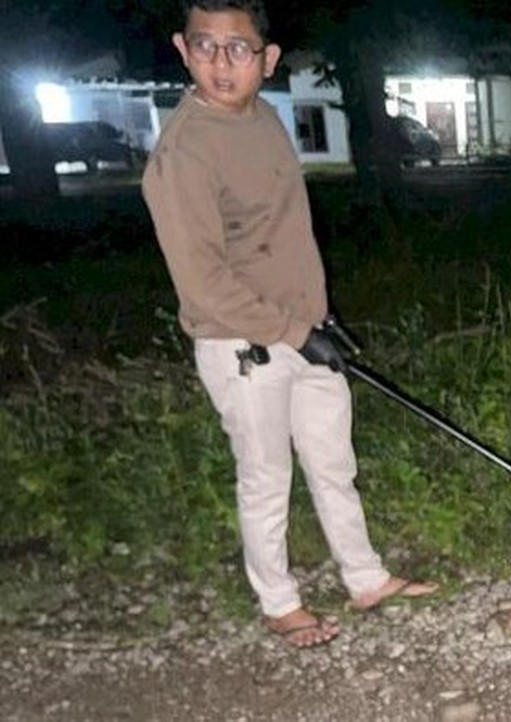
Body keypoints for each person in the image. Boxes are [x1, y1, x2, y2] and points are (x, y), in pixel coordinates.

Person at [141, 0, 435, 648]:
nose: (222, 62)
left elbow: (285, 237)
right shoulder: (183, 154)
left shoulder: (265, 118)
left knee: (333, 463)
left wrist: (320, 319)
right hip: (243, 346)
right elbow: (204, 282)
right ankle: (279, 603)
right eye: (205, 45)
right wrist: (296, 333)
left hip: (306, 329)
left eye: (238, 48)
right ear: (183, 49)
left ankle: (365, 578)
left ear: (268, 59)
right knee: (266, 477)